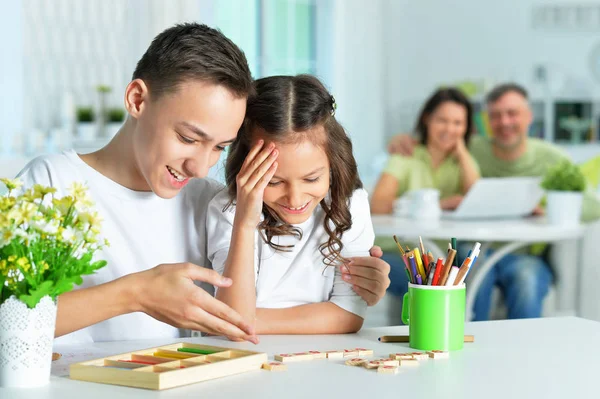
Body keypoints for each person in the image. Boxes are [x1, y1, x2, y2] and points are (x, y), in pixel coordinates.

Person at [15, 24, 390, 344]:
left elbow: (261, 302)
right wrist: (135, 293)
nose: (200, 166)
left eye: (220, 147)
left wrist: (364, 281)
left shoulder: (207, 201)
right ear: (137, 99)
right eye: (188, 138)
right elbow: (8, 316)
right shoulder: (50, 184)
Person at [387, 83, 600, 320]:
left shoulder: (552, 157)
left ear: (529, 116)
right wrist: (403, 138)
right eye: (496, 116)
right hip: (473, 250)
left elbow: (593, 205)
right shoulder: (472, 148)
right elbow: (437, 139)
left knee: (527, 281)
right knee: (475, 272)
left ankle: (523, 351)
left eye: (512, 113)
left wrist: (546, 209)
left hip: (523, 254)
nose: (504, 122)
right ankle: (471, 341)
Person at [206, 75, 375, 334]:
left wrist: (249, 321)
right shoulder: (229, 210)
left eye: (312, 178)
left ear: (334, 166)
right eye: (273, 182)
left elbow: (349, 315)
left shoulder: (350, 204)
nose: (295, 199)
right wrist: (244, 222)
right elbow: (232, 319)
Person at [370, 88, 480, 298]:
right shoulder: (405, 155)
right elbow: (378, 206)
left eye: (458, 123)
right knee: (425, 286)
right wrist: (440, 205)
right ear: (427, 119)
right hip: (402, 252)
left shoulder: (464, 163)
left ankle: (467, 329)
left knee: (476, 277)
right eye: (442, 120)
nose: (450, 129)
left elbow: (476, 200)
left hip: (443, 256)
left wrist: (463, 154)